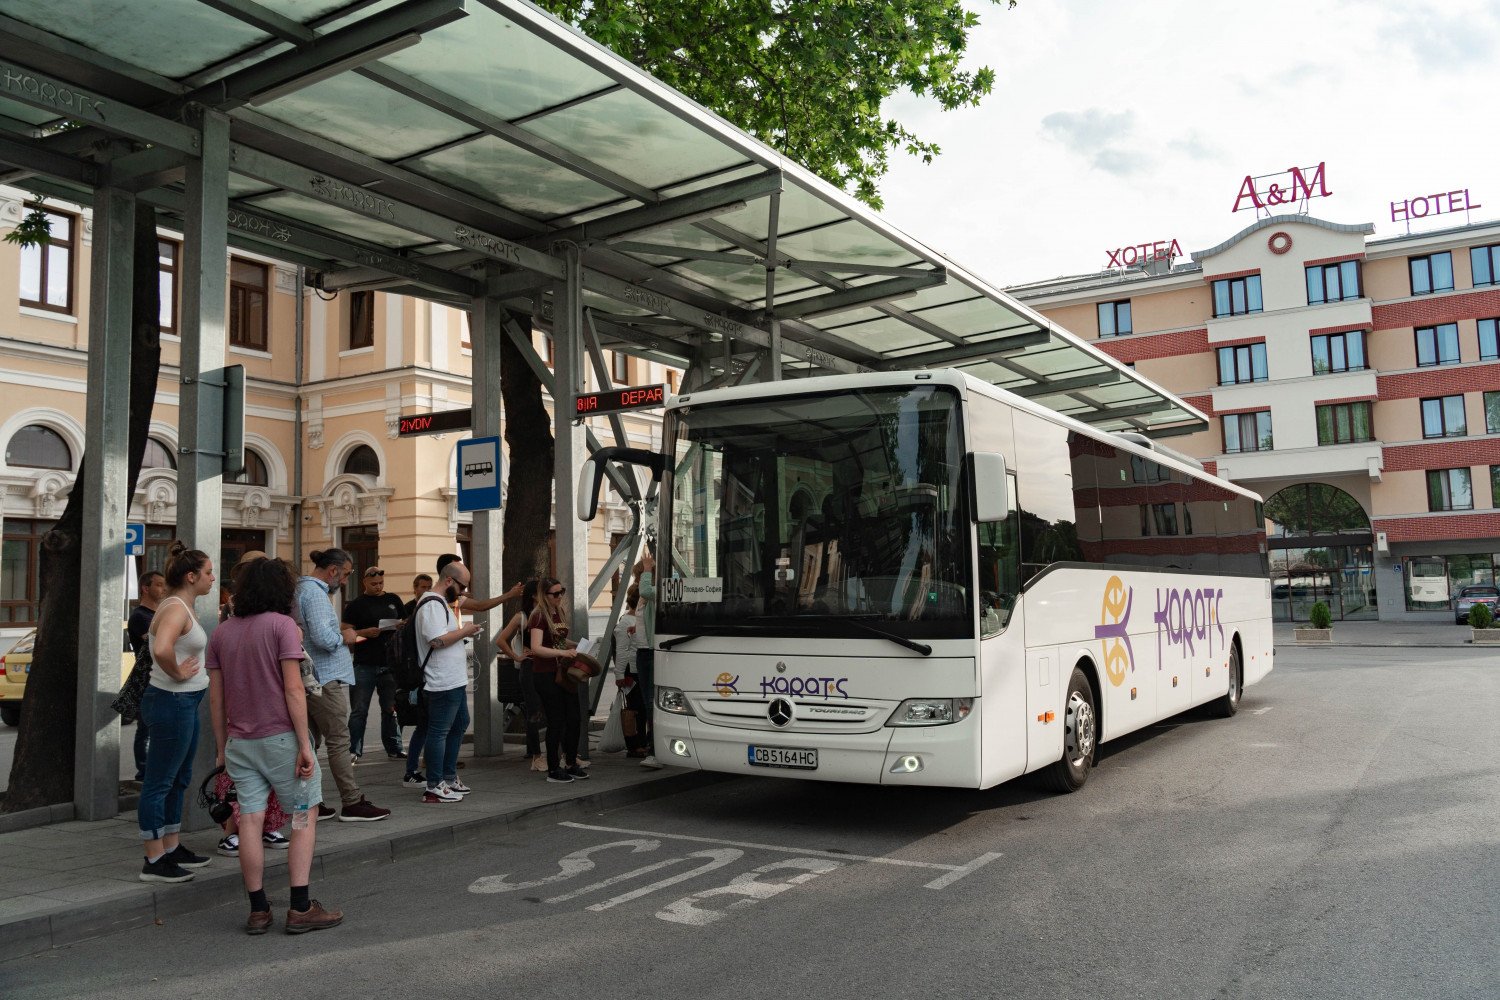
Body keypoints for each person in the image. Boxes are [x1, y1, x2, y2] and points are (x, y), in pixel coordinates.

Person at [208, 556, 342, 935]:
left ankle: (258, 909)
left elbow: (216, 699)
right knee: (302, 816)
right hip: (282, 740)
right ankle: (300, 906)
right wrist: (305, 743)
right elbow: (294, 688)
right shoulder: (282, 626)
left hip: (240, 743)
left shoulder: (223, 633)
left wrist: (221, 748)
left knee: (249, 820)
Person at [136, 542, 215, 883]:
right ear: (191, 576)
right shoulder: (175, 608)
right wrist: (178, 673)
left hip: (185, 701)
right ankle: (154, 859)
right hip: (172, 700)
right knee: (160, 782)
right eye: (209, 573)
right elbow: (162, 647)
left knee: (180, 778)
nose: (214, 579)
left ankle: (171, 846)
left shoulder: (183, 605)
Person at [293, 548, 391, 823]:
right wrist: (348, 635)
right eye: (346, 574)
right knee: (338, 739)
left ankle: (311, 802)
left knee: (309, 742)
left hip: (309, 677)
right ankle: (352, 801)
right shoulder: (315, 593)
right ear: (333, 570)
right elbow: (324, 639)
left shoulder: (302, 589)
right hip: (323, 678)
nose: (346, 581)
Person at [416, 562, 481, 803]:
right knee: (439, 731)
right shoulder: (432, 603)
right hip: (440, 680)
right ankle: (434, 784)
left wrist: (466, 632)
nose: (464, 592)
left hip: (452, 678)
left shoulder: (441, 602)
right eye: (462, 586)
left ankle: (448, 776)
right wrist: (464, 631)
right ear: (448, 581)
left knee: (460, 723)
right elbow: (436, 640)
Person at [341, 565, 406, 763]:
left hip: (389, 663)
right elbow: (345, 632)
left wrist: (400, 625)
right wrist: (364, 633)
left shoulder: (393, 599)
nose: (378, 587)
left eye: (381, 583)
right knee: (359, 710)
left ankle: (394, 747)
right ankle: (353, 750)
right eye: (374, 584)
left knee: (390, 708)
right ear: (365, 582)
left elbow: (404, 621)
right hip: (364, 663)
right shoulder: (356, 605)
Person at [528, 577, 586, 783]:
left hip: (562, 671)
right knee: (557, 721)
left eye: (562, 592)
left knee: (574, 718)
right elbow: (536, 648)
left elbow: (558, 639)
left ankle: (570, 762)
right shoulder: (538, 616)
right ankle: (554, 769)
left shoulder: (557, 612)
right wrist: (561, 652)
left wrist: (575, 645)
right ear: (544, 595)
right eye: (555, 594)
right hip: (546, 674)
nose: (560, 596)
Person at [496, 579, 545, 771]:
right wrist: (516, 656)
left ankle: (551, 754)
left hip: (546, 666)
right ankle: (536, 755)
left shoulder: (547, 614)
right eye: (545, 592)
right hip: (530, 668)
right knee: (533, 712)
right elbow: (501, 640)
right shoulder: (522, 617)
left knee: (550, 710)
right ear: (534, 595)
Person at [126, 570, 167, 783]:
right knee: (145, 727)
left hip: (161, 677)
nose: (163, 589)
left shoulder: (160, 614)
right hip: (146, 679)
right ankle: (143, 771)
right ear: (145, 588)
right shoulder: (140, 616)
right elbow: (158, 641)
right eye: (159, 585)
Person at [612, 585, 650, 759]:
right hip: (630, 671)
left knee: (641, 708)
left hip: (638, 669)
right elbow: (621, 651)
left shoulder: (640, 619)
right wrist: (620, 675)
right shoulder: (626, 622)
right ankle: (634, 745)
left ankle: (642, 742)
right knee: (635, 709)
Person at [633, 550, 662, 770]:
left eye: (639, 575)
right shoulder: (647, 597)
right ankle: (654, 748)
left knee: (651, 702)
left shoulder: (653, 591)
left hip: (651, 652)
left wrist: (648, 568)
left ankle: (655, 751)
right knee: (647, 701)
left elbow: (644, 588)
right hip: (644, 651)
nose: (637, 580)